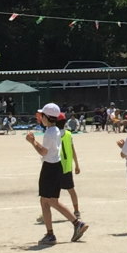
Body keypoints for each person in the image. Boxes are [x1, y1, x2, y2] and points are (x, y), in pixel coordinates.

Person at [26, 104, 86, 245]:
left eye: (42, 116)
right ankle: (74, 224)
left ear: (47, 117)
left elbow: (43, 152)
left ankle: (52, 233)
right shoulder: (56, 130)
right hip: (56, 166)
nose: (40, 118)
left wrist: (33, 141)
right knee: (51, 201)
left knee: (46, 201)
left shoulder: (49, 133)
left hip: (49, 168)